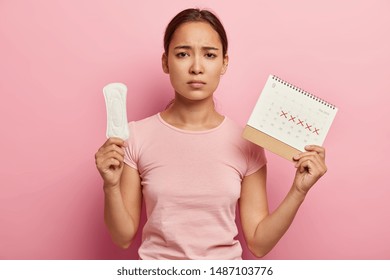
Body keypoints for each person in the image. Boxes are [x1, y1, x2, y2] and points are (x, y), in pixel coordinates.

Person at [95, 8, 327, 260]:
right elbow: (122, 236)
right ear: (165, 62)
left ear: (224, 62)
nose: (196, 67)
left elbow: (259, 244)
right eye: (183, 54)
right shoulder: (135, 136)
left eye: (209, 55)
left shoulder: (247, 143)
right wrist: (110, 185)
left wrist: (299, 190)